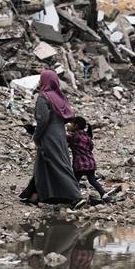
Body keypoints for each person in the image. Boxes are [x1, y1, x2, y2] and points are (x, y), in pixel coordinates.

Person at [19, 70, 86, 209]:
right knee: (42, 165)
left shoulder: (44, 97)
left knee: (58, 164)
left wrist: (36, 136)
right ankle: (35, 195)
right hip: (60, 134)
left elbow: (43, 120)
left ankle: (76, 196)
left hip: (49, 136)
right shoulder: (59, 96)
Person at [67, 117, 109, 202]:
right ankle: (104, 195)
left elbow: (64, 139)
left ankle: (75, 199)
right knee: (92, 180)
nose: (69, 126)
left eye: (71, 124)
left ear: (76, 125)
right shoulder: (87, 136)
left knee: (74, 182)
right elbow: (91, 147)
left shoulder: (74, 136)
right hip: (90, 163)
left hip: (80, 164)